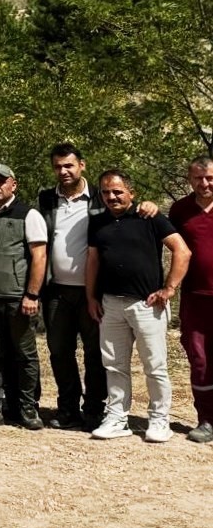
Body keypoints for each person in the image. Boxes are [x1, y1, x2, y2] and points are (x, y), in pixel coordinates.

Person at [87, 171, 191, 443]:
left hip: (147, 305)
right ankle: (117, 418)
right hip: (111, 304)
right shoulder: (98, 223)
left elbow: (182, 251)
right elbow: (93, 262)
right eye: (106, 192)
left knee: (155, 366)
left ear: (131, 193)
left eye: (118, 191)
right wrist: (91, 297)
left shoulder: (149, 217)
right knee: (114, 365)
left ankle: (159, 420)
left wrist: (169, 289)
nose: (112, 197)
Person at [0, 164, 47, 431]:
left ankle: (27, 407)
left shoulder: (28, 214)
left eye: (1, 181)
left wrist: (32, 294)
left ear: (13, 184)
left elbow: (39, 256)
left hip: (18, 298)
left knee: (24, 354)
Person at [36, 142, 106, 431]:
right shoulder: (45, 199)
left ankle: (94, 410)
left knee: (95, 353)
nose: (63, 171)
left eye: (69, 165)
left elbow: (128, 213)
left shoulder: (102, 198)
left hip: (93, 292)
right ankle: (67, 409)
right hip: (56, 291)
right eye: (58, 166)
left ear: (82, 165)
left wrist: (148, 207)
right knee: (60, 352)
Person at [168, 156, 213, 442]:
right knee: (200, 360)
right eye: (199, 178)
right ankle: (206, 420)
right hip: (195, 298)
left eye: (210, 178)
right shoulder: (180, 210)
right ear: (190, 179)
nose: (205, 183)